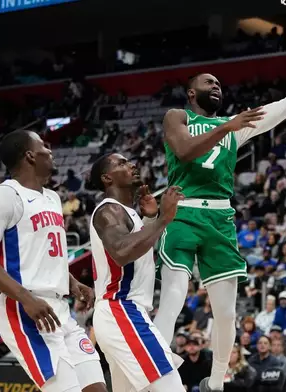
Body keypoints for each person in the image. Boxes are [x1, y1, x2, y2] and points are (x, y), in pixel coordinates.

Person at [154, 45, 286, 392]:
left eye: (220, 84)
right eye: (210, 82)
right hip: (181, 211)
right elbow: (184, 151)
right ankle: (154, 371)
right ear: (192, 92)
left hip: (220, 219)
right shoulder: (178, 117)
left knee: (226, 315)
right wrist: (228, 128)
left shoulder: (234, 126)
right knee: (174, 295)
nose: (218, 86)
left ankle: (219, 378)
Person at [0, 130, 106, 392]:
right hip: (25, 310)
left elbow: (43, 255)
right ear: (30, 155)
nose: (50, 149)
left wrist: (73, 282)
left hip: (60, 309)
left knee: (97, 388)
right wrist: (26, 298)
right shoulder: (4, 195)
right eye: (43, 145)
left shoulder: (53, 198)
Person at [88, 152, 185, 392]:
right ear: (107, 178)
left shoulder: (126, 212)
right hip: (121, 308)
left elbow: (135, 245)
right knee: (171, 386)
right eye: (121, 163)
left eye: (129, 161)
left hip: (120, 312)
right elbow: (121, 253)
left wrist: (151, 218)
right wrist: (163, 219)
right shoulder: (108, 211)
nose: (131, 164)